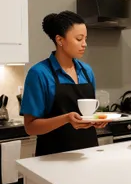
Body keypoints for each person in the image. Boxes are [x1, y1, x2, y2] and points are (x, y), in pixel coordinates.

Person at [20, 10, 107, 156]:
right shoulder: (39, 73)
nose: (84, 44)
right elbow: (30, 127)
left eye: (85, 39)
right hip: (53, 158)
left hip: (88, 153)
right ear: (60, 40)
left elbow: (87, 114)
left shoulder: (86, 71)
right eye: (79, 39)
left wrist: (95, 120)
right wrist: (66, 119)